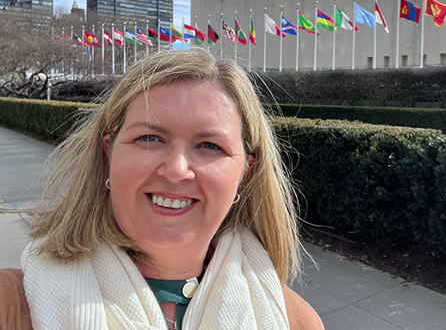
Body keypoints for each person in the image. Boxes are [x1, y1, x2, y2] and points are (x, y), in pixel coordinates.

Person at [0, 48, 324, 330]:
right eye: (149, 139)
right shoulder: (12, 306)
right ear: (108, 153)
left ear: (245, 172)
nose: (176, 170)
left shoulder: (296, 321)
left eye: (209, 145)